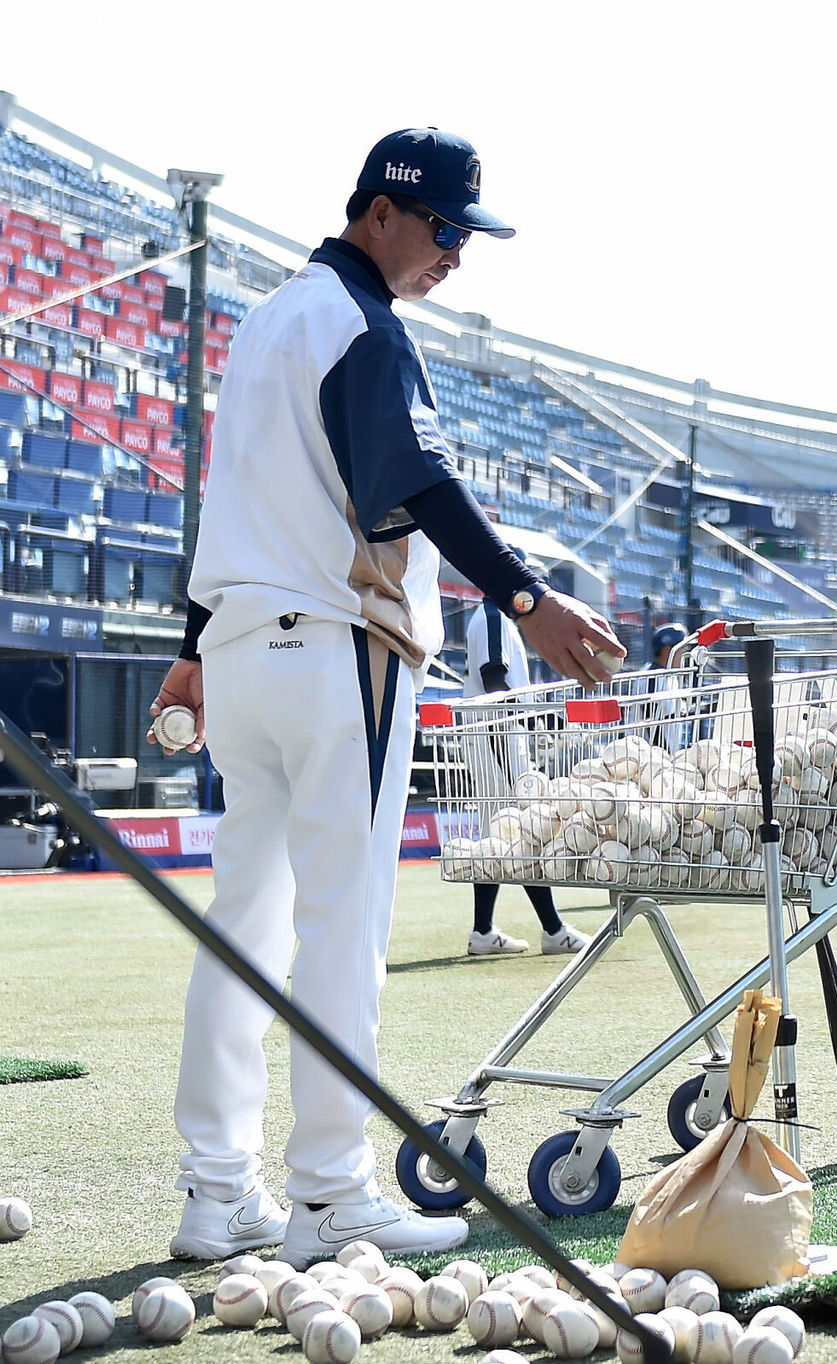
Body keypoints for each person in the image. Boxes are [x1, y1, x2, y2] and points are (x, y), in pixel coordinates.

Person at [147, 126, 624, 1270]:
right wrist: (526, 599)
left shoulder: (267, 319)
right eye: (448, 228)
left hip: (248, 651)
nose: (456, 253)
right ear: (382, 212)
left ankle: (218, 1191)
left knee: (244, 925)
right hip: (333, 650)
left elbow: (231, 500)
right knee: (341, 930)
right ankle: (330, 1195)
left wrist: (194, 643)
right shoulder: (361, 324)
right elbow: (409, 481)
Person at [463, 559, 590, 958]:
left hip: (493, 739)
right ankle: (553, 930)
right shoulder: (494, 618)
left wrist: (533, 719)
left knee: (497, 839)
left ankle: (483, 931)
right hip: (497, 740)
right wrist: (517, 743)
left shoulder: (488, 617)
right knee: (524, 831)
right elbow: (494, 681)